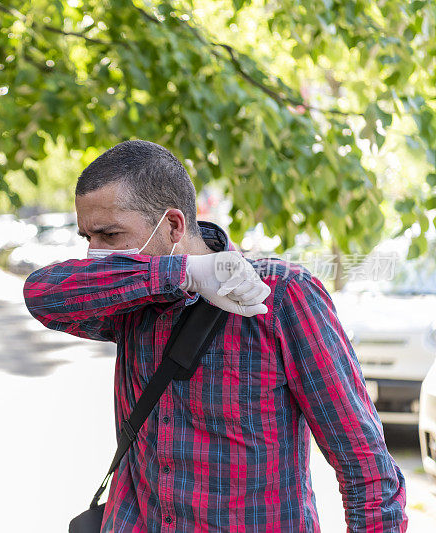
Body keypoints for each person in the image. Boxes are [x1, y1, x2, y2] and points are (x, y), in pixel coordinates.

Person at [23, 140, 406, 532]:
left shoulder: (283, 294)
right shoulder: (127, 299)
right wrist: (179, 274)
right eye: (87, 237)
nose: (95, 253)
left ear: (173, 225)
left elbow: (366, 467)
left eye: (108, 234)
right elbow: (40, 294)